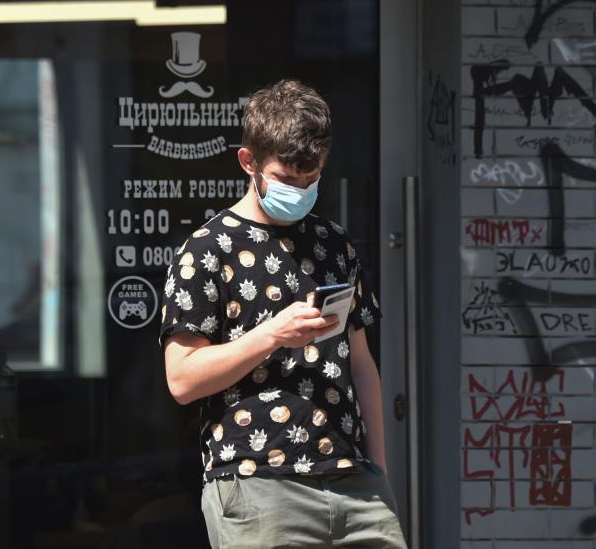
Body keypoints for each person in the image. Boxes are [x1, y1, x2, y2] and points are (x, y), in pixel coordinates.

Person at [158, 80, 408, 548]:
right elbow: (182, 380)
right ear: (248, 162)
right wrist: (272, 334)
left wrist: (380, 469)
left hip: (352, 478)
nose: (300, 190)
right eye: (286, 179)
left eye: (311, 179)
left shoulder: (334, 243)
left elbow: (361, 362)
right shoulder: (208, 249)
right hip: (258, 479)